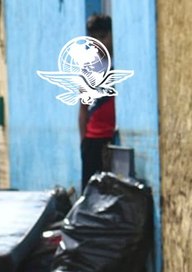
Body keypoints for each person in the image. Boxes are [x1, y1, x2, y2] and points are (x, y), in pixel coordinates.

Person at [79, 13, 115, 191]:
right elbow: (83, 109)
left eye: (102, 37)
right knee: (92, 191)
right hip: (93, 140)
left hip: (114, 139)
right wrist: (83, 141)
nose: (98, 44)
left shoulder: (119, 63)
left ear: (111, 35)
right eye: (94, 39)